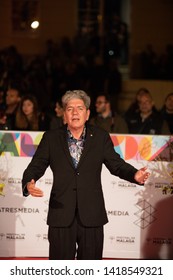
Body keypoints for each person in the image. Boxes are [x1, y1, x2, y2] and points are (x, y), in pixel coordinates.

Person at [22, 89, 150, 260]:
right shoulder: (51, 138)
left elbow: (116, 164)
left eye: (80, 108)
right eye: (70, 109)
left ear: (88, 113)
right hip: (61, 215)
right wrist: (29, 183)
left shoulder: (100, 137)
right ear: (64, 115)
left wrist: (134, 174)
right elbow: (36, 166)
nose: (75, 112)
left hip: (92, 215)